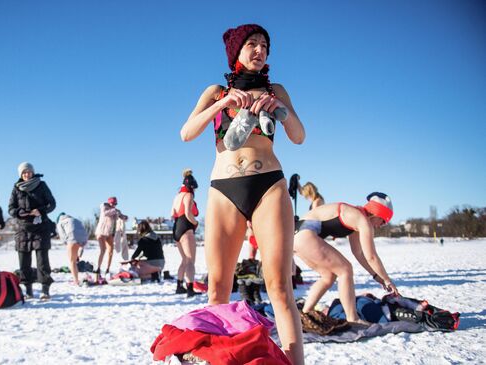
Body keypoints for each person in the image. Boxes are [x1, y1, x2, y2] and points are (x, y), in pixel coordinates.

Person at [180, 24, 305, 363]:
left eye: (265, 45)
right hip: (224, 188)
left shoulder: (275, 88)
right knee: (218, 288)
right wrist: (220, 106)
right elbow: (187, 133)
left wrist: (279, 106)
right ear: (236, 51)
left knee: (279, 287)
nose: (259, 50)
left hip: (269, 184)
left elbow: (298, 135)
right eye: (252, 43)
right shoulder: (216, 91)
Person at [293, 192, 400, 325]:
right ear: (377, 213)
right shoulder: (362, 221)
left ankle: (306, 312)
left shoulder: (356, 217)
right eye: (383, 221)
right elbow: (371, 257)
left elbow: (359, 253)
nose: (382, 225)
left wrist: (377, 276)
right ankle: (352, 319)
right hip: (305, 235)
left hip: (298, 236)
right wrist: (387, 280)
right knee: (345, 269)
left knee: (329, 276)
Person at [9, 162, 56, 300]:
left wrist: (40, 211)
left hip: (41, 227)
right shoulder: (16, 187)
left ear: (33, 172)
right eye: (24, 172)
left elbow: (52, 203)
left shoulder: (41, 185)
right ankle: (28, 290)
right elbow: (11, 208)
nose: (26, 174)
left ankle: (45, 289)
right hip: (23, 229)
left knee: (42, 261)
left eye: (28, 172)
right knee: (24, 261)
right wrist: (20, 212)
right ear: (20, 174)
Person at [170, 168, 200, 296]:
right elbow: (188, 213)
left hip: (177, 228)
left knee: (184, 260)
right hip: (186, 228)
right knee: (190, 261)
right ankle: (190, 288)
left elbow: (172, 214)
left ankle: (179, 286)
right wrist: (195, 223)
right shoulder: (188, 195)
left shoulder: (177, 196)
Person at [94, 196, 126, 278]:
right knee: (103, 250)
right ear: (109, 203)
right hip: (101, 232)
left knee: (111, 251)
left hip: (109, 233)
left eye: (115, 204)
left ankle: (108, 269)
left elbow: (122, 217)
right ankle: (98, 268)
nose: (114, 205)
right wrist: (115, 210)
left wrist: (124, 217)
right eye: (113, 203)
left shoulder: (115, 210)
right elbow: (106, 213)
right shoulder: (104, 207)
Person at [57, 212, 88, 286]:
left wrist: (66, 243)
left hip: (72, 238)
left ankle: (76, 281)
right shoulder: (75, 220)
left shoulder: (60, 222)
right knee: (76, 257)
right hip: (84, 238)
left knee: (72, 261)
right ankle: (79, 252)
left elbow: (62, 236)